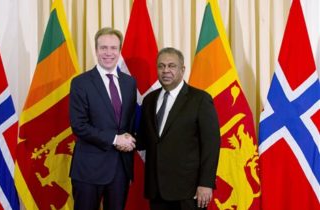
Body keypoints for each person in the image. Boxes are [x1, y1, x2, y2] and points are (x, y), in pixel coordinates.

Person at [137, 47, 221, 210]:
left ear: (182, 69)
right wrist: (117, 138)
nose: (166, 71)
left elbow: (211, 144)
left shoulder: (200, 99)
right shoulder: (149, 100)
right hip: (157, 190)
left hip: (188, 191)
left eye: (171, 66)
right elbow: (143, 140)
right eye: (161, 66)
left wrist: (206, 183)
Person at [69, 27, 137, 210]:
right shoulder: (80, 83)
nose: (109, 53)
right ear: (96, 49)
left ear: (119, 50)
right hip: (88, 170)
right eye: (103, 48)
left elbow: (129, 122)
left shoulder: (129, 83)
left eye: (113, 48)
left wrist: (129, 140)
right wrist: (115, 139)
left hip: (120, 169)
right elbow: (79, 125)